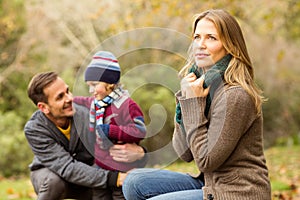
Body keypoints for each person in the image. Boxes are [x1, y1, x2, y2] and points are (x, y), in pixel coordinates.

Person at [122, 9, 271, 200]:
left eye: (211, 38)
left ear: (230, 46)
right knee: (134, 182)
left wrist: (193, 103)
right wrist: (185, 100)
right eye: (197, 37)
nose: (200, 45)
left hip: (237, 192)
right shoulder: (202, 86)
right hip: (209, 182)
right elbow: (185, 153)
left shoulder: (235, 95)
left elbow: (206, 161)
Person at [24, 71, 147, 200]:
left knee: (113, 189)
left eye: (68, 91)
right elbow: (67, 167)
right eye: (60, 97)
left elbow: (115, 143)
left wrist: (141, 154)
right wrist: (115, 179)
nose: (70, 98)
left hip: (91, 177)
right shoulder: (34, 129)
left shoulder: (89, 114)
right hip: (53, 176)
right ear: (43, 108)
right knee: (53, 182)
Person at [73, 51, 147, 199]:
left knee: (121, 196)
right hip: (101, 168)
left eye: (94, 85)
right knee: (99, 197)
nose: (91, 90)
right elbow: (82, 101)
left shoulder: (127, 105)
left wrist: (110, 131)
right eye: (89, 86)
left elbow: (139, 130)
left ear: (110, 83)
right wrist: (69, 99)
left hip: (123, 169)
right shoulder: (96, 103)